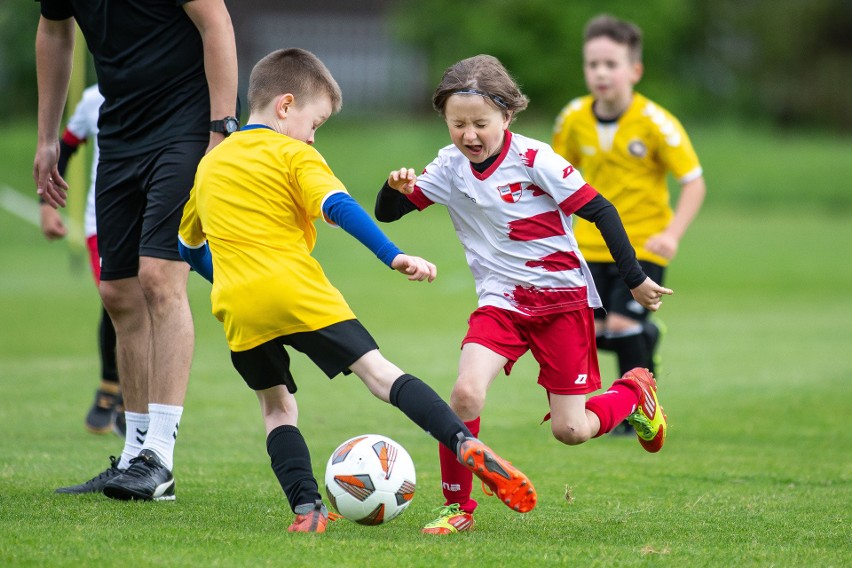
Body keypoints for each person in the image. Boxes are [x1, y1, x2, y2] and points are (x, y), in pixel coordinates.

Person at [177, 47, 537, 533]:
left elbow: (188, 246)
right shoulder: (293, 153)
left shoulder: (210, 165)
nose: (312, 134)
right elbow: (339, 206)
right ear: (285, 107)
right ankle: (462, 443)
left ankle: (306, 510)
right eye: (316, 122)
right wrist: (394, 254)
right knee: (380, 375)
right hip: (299, 292)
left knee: (277, 408)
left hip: (239, 307)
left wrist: (226, 279)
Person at [375, 54, 672, 535]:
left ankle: (634, 392)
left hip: (562, 305)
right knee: (465, 393)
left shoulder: (536, 160)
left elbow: (602, 210)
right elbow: (388, 214)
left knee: (571, 431)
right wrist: (394, 188)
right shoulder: (449, 167)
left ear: (507, 116)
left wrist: (635, 278)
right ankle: (459, 509)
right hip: (502, 303)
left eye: (480, 124)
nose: (469, 135)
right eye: (457, 124)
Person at [33, 0, 238, 500]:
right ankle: (133, 458)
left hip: (186, 126)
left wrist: (221, 128)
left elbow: (217, 23)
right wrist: (47, 138)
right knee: (118, 291)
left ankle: (159, 458)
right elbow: (55, 33)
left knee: (160, 279)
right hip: (120, 130)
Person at [552, 14, 705, 434]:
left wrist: (671, 235)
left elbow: (693, 182)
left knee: (622, 325)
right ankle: (646, 338)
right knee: (592, 331)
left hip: (642, 245)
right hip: (586, 244)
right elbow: (555, 178)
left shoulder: (656, 122)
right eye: (592, 64)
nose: (600, 73)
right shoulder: (572, 119)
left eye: (611, 64)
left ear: (634, 70)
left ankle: (636, 409)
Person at [39, 84, 125, 438]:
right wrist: (46, 205)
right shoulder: (93, 100)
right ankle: (110, 390)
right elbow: (65, 149)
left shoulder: (162, 86)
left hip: (151, 217)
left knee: (153, 305)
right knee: (117, 302)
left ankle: (137, 403)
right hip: (101, 223)